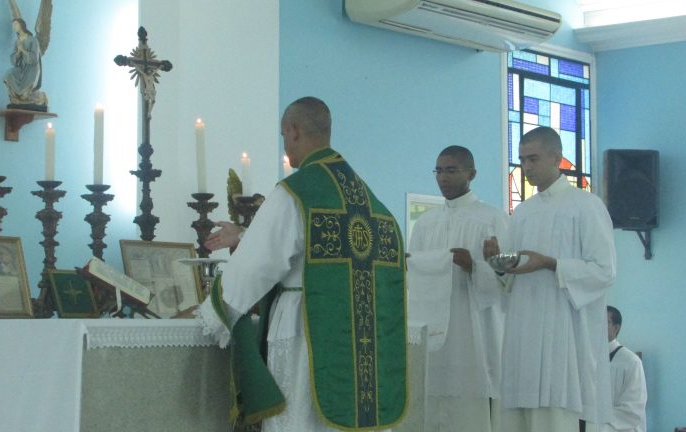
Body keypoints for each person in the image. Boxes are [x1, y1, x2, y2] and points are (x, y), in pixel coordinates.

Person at [195, 96, 408, 431]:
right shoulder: (373, 204)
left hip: (305, 333)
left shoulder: (297, 192)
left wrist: (210, 313)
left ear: (293, 130)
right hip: (362, 344)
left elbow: (254, 267)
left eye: (284, 136)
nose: (286, 144)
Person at [484, 126, 617, 432]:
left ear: (557, 158)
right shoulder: (522, 213)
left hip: (564, 335)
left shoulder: (586, 206)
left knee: (556, 417)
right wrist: (498, 264)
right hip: (523, 336)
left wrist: (551, 264)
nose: (526, 167)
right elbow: (512, 276)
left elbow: (604, 270)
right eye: (522, 160)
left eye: (533, 159)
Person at [407, 145, 509, 431]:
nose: (443, 177)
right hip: (434, 339)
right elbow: (414, 277)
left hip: (473, 335)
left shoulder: (492, 219)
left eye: (451, 170)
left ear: (471, 173)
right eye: (439, 171)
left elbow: (506, 282)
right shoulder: (426, 223)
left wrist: (474, 266)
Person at [598, 306, 647, 432]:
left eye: (605, 322)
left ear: (616, 327)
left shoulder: (631, 361)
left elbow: (632, 409)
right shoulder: (588, 359)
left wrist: (598, 426)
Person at [4, 18, 47, 109]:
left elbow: (34, 58)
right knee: (8, 75)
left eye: (15, 24)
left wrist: (23, 50)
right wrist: (18, 53)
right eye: (13, 25)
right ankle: (16, 98)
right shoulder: (17, 41)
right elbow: (13, 61)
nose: (14, 27)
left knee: (24, 96)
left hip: (32, 69)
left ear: (21, 25)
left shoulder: (33, 40)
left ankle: (40, 98)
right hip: (22, 68)